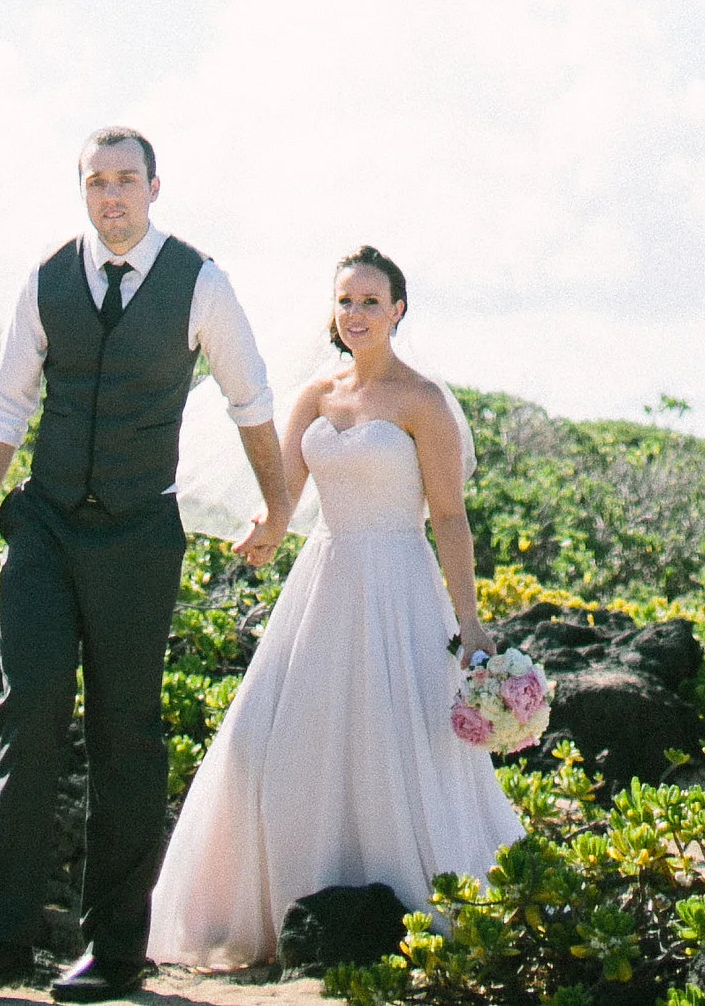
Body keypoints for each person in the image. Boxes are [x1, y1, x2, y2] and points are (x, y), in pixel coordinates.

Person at [0, 129, 293, 1000]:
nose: (112, 197)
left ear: (155, 187)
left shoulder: (200, 281)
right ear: (82, 192)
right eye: (97, 183)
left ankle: (115, 953)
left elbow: (250, 399)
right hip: (47, 530)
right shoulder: (46, 278)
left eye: (126, 181)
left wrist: (277, 507)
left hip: (138, 535)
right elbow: (5, 400)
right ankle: (0, 940)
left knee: (125, 733)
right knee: (28, 714)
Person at [148, 245, 524, 969]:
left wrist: (470, 621)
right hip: (324, 577)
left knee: (398, 741)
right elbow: (282, 494)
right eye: (345, 301)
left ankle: (414, 908)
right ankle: (272, 907)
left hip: (398, 584)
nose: (355, 314)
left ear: (398, 311)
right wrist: (264, 532)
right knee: (267, 741)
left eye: (370, 301)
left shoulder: (423, 401)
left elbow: (448, 517)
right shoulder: (316, 395)